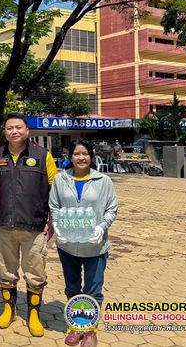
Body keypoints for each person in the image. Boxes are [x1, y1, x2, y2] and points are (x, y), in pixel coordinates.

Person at [0, 113, 57, 337]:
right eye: (9, 128)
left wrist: (52, 220)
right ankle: (10, 310)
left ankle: (34, 314)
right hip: (3, 224)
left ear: (27, 131)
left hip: (34, 225)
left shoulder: (43, 155)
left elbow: (54, 190)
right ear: (4, 132)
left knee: (35, 273)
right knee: (6, 271)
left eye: (18, 127)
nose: (14, 131)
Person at [49, 139, 118, 347]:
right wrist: (58, 227)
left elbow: (111, 209)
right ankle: (75, 326)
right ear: (70, 157)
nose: (81, 157)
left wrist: (101, 227)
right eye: (77, 154)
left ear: (91, 156)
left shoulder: (103, 181)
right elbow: (54, 206)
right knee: (72, 288)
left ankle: (89, 330)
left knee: (93, 290)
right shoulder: (61, 180)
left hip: (95, 245)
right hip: (68, 245)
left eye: (85, 153)